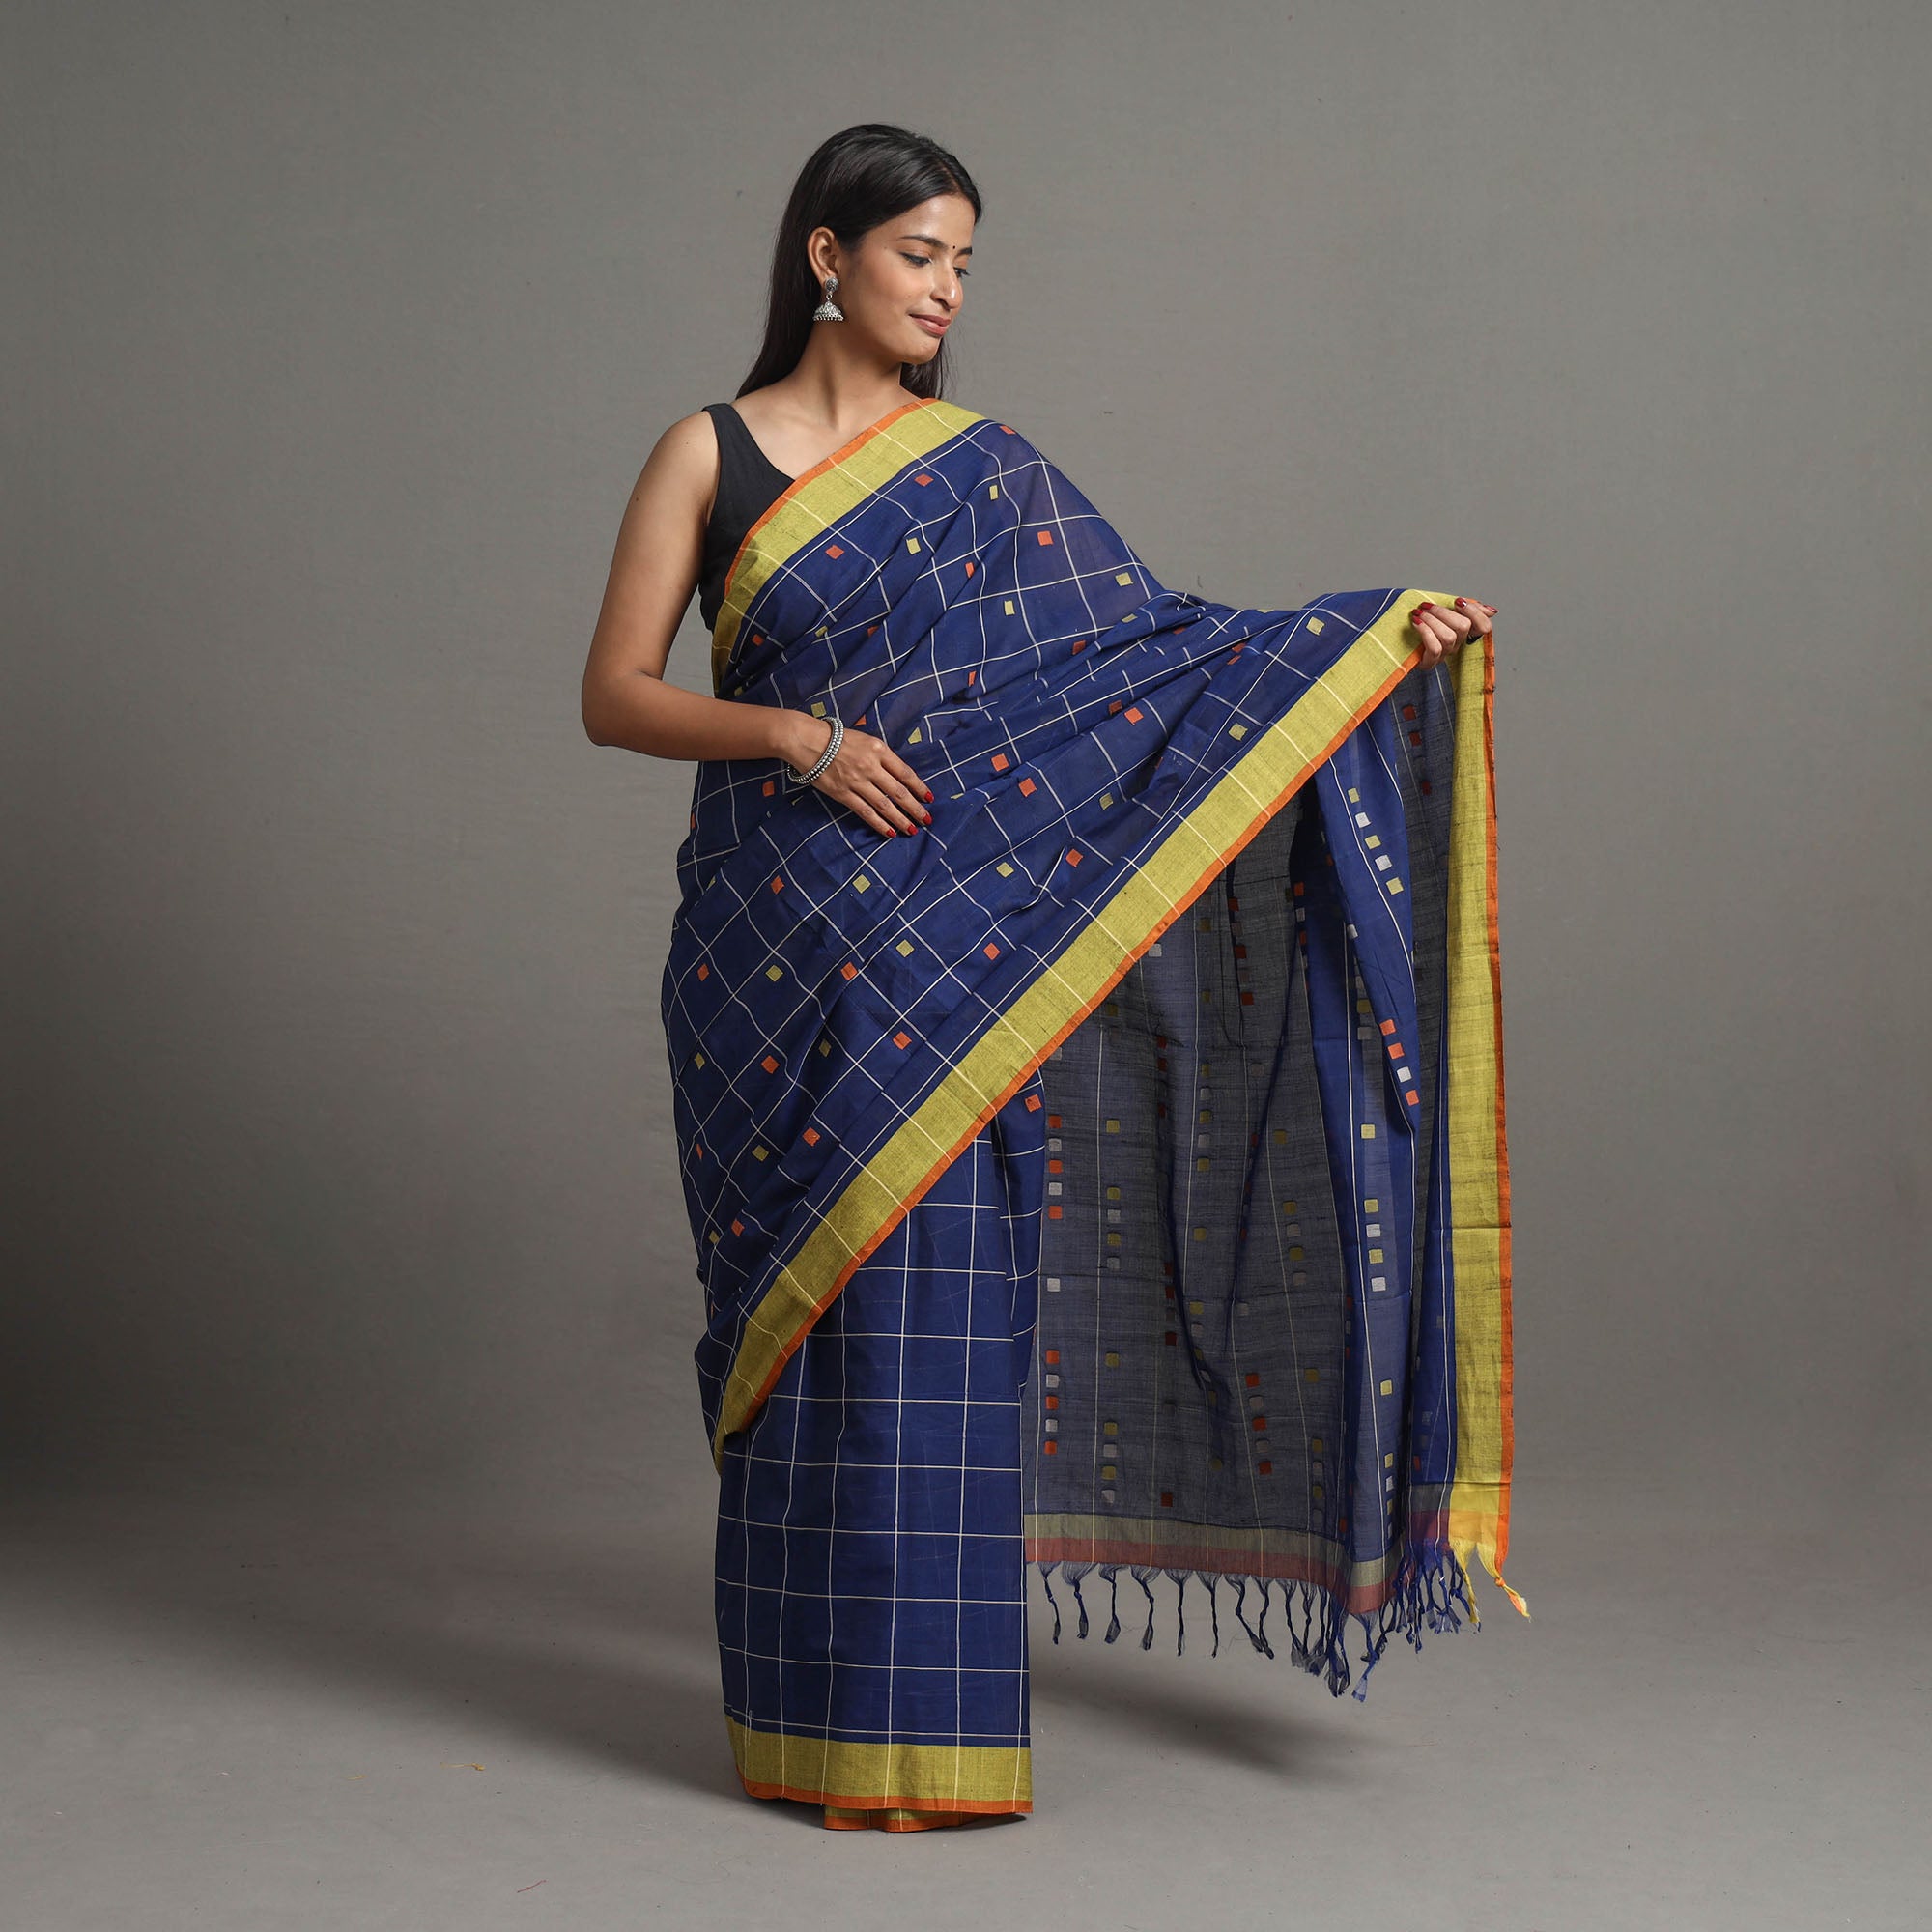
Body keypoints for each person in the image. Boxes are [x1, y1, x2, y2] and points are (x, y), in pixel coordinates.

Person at [582, 122, 1520, 1833]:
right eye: (918, 254)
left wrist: (1368, 637)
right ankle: (807, 1730)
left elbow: (1149, 655)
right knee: (809, 1342)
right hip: (772, 946)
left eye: (962, 264)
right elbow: (614, 695)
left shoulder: (986, 473)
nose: (946, 290)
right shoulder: (708, 454)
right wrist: (796, 737)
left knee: (938, 1318)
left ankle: (928, 1746)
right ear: (827, 257)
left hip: (954, 957)